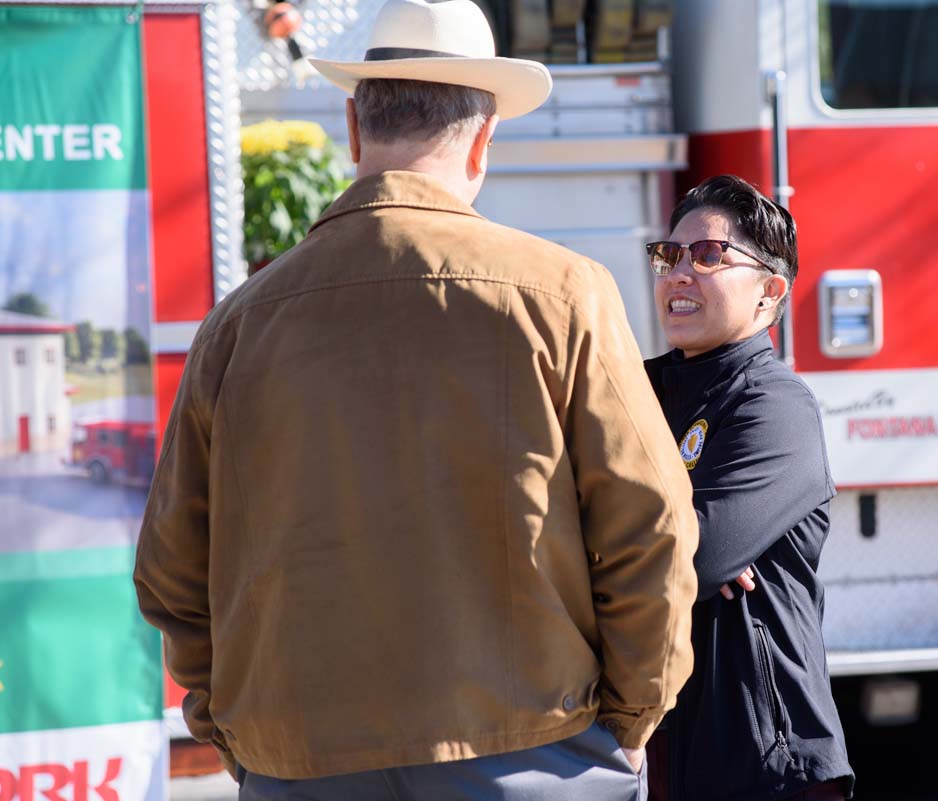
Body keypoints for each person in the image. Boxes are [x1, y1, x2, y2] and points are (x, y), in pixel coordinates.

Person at [132, 2, 699, 799]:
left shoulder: (236, 324)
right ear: (483, 139)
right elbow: (653, 523)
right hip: (534, 753)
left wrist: (240, 733)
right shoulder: (564, 294)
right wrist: (631, 720)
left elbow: (171, 574)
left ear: (355, 132)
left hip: (298, 763)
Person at [642, 175, 854, 801]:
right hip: (653, 756)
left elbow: (695, 560)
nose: (679, 273)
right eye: (669, 255)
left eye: (707, 255)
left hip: (764, 763)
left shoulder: (775, 406)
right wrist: (676, 524)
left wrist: (684, 544)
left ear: (769, 292)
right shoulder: (632, 391)